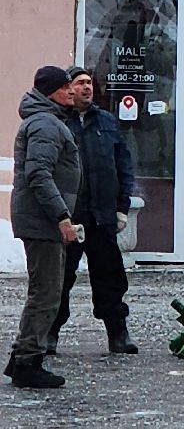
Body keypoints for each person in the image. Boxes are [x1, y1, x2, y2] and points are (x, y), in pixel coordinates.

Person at [48, 67, 137, 356]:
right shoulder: (57, 122)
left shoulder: (107, 122)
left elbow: (123, 166)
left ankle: (117, 334)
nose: (87, 88)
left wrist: (122, 207)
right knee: (60, 279)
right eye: (80, 83)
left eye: (89, 83)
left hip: (102, 216)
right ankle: (49, 334)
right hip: (70, 216)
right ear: (68, 89)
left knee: (110, 277)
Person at [5, 65, 81, 389]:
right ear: (52, 92)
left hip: (41, 220)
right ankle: (27, 363)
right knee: (46, 293)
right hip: (43, 222)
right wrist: (62, 216)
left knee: (47, 290)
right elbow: (39, 175)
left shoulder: (48, 121)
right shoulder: (46, 124)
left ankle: (23, 358)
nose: (72, 91)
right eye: (67, 87)